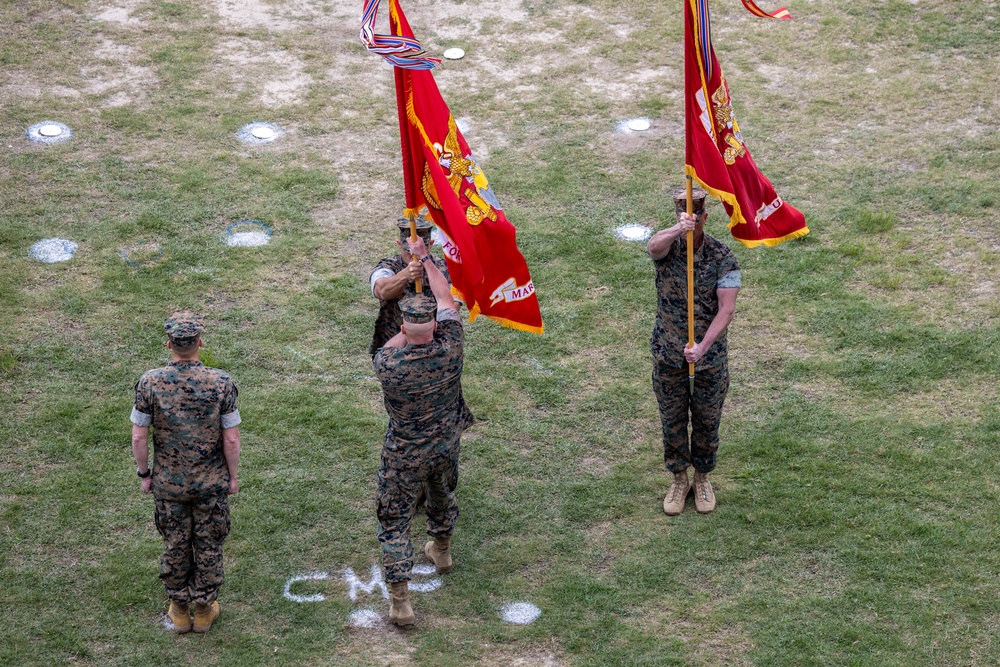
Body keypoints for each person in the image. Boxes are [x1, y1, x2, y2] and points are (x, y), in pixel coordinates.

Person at [372, 236, 469, 626]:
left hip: (404, 452)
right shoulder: (452, 347)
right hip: (446, 443)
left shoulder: (387, 363)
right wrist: (427, 260)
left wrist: (406, 333)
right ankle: (442, 549)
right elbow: (447, 300)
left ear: (402, 325)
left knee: (394, 520)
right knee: (442, 493)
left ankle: (400, 601)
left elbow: (391, 346)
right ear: (434, 323)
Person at [130, 310, 241, 633]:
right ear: (200, 343)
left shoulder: (150, 382)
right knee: (209, 544)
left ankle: (179, 608)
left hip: (168, 483)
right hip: (211, 483)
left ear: (169, 344)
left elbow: (139, 435)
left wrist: (144, 474)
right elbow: (231, 437)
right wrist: (232, 477)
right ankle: (204, 609)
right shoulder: (221, 382)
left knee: (176, 543)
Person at [647, 187, 740, 515]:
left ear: (705, 217)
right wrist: (678, 229)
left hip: (708, 357)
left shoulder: (723, 257)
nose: (692, 221)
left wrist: (703, 347)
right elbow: (652, 247)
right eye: (684, 215)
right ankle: (678, 479)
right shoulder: (669, 247)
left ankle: (701, 478)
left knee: (706, 418)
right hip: (668, 352)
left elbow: (726, 310)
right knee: (671, 419)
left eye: (696, 216)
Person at [369, 216, 451, 356]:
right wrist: (405, 275)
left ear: (431, 244)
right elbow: (381, 290)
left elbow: (452, 306)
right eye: (408, 251)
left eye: (419, 250)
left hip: (434, 344)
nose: (413, 255)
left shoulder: (444, 268)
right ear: (399, 244)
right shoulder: (388, 266)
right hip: (395, 345)